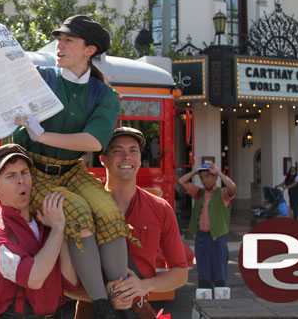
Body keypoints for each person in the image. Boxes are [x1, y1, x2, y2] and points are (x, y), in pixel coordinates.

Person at [0, 3, 133, 318]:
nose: (59, 46)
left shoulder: (104, 94)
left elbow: (93, 142)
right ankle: (103, 305)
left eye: (68, 41)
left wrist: (41, 134)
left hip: (72, 171)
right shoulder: (41, 77)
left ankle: (121, 300)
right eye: (59, 40)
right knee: (75, 211)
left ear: (89, 50)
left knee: (108, 211)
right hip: (35, 169)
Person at [75, 127, 188, 319]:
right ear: (103, 159)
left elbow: (180, 273)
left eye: (133, 150)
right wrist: (103, 297)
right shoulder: (82, 208)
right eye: (117, 151)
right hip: (91, 311)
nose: (127, 156)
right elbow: (61, 283)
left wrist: (146, 285)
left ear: (140, 159)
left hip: (138, 309)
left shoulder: (160, 208)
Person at [0, 143, 78, 318]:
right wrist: (58, 229)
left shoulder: (48, 224)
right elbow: (34, 278)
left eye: (24, 172)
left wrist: (60, 228)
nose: (21, 180)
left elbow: (71, 281)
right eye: (10, 176)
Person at [177, 162, 237, 298]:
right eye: (203, 177)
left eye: (208, 177)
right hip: (201, 239)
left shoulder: (222, 194)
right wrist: (195, 172)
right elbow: (181, 182)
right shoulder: (199, 193)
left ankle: (221, 307)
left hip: (217, 239)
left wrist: (220, 173)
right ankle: (206, 306)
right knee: (203, 274)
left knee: (219, 273)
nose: (205, 180)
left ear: (215, 178)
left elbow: (233, 188)